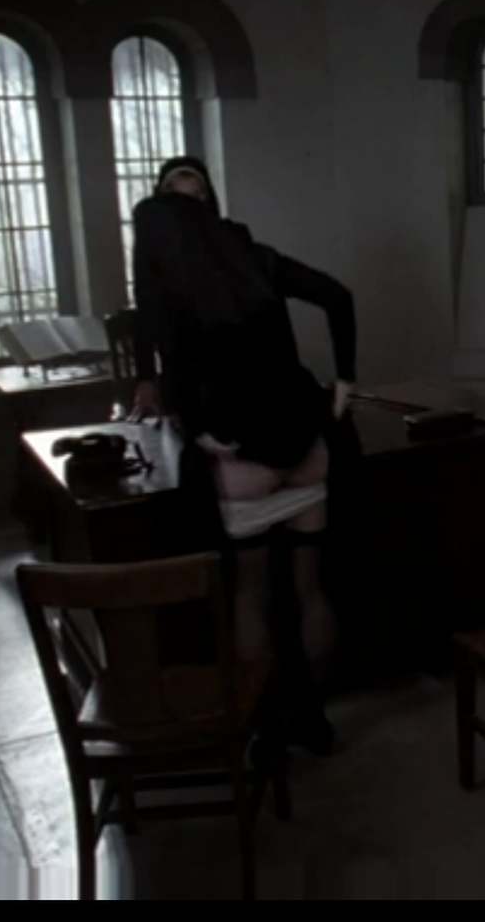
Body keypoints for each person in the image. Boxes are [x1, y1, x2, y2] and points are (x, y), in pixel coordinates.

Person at [129, 156, 355, 754]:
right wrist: (344, 384)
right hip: (304, 444)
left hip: (242, 459)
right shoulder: (254, 256)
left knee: (250, 594)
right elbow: (338, 296)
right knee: (310, 589)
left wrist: (199, 428)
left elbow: (170, 361)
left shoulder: (167, 273)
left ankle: (266, 728)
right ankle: (314, 719)